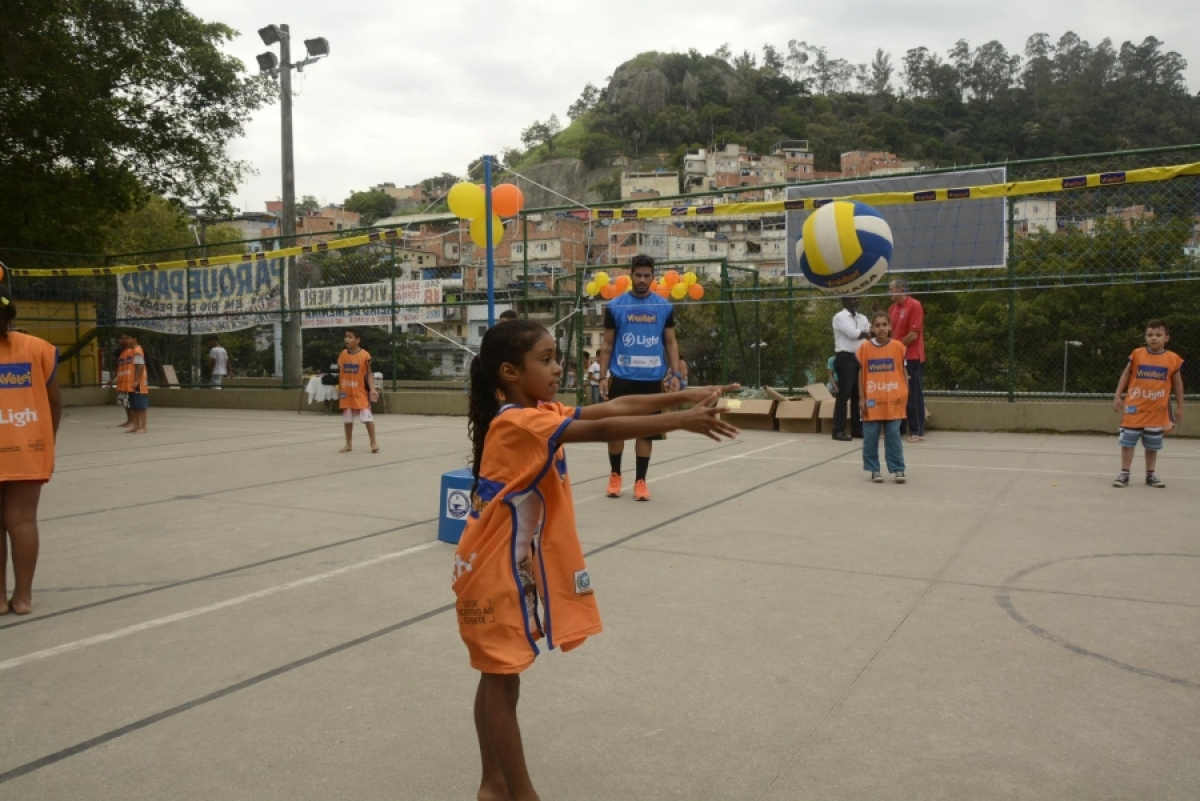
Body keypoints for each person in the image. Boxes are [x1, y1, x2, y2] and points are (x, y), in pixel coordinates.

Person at [455, 319, 738, 801]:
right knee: (501, 683)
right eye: (543, 359)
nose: (556, 366)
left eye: (555, 356)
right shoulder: (520, 422)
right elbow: (605, 426)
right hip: (492, 572)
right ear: (508, 372)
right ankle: (521, 794)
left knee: (498, 678)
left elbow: (615, 405)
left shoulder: (536, 410)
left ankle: (492, 784)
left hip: (491, 566)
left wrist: (684, 396)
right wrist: (680, 420)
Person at [597, 254, 683, 501]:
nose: (642, 280)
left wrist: (676, 373)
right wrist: (602, 376)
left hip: (652, 380)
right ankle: (615, 475)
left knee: (646, 432)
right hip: (622, 378)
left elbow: (670, 341)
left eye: (647, 275)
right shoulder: (615, 306)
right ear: (630, 275)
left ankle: (641, 481)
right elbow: (607, 344)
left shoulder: (664, 307)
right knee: (616, 430)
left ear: (653, 277)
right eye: (638, 275)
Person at [0, 285, 63, 615]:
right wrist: (46, 443)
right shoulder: (39, 348)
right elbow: (54, 402)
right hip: (27, 448)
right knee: (22, 521)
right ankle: (23, 598)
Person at [1111, 319, 1185, 488]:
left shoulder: (1173, 359)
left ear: (1166, 338)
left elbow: (1178, 384)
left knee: (1152, 444)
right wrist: (1117, 396)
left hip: (1157, 411)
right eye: (1150, 335)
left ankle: (1150, 474)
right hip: (1134, 409)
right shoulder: (1137, 354)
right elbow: (1125, 375)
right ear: (1145, 337)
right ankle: (1124, 473)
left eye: (1158, 335)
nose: (1154, 338)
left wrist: (1180, 406)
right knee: (1128, 441)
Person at [858, 312, 909, 484]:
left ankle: (898, 469)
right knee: (871, 436)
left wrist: (905, 393)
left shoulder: (898, 347)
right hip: (872, 401)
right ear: (872, 328)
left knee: (893, 436)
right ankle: (874, 470)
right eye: (877, 325)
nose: (881, 328)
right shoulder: (865, 348)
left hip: (894, 400)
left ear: (890, 327)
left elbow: (904, 372)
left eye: (884, 325)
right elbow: (861, 374)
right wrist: (861, 397)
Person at [888, 278, 926, 442]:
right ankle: (901, 428)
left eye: (891, 289)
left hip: (911, 356)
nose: (889, 292)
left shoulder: (914, 305)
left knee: (913, 393)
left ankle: (917, 430)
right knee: (898, 392)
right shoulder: (892, 308)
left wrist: (896, 346)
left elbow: (913, 334)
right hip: (896, 357)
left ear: (901, 289)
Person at [830, 296, 870, 442]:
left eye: (858, 299)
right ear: (845, 301)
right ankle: (838, 430)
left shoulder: (862, 317)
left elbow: (870, 332)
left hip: (860, 357)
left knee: (857, 395)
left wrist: (863, 333)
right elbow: (853, 334)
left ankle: (857, 429)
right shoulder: (840, 317)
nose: (856, 301)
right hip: (845, 357)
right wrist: (863, 333)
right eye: (853, 299)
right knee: (844, 394)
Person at [338, 328, 379, 453]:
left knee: (367, 419)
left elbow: (369, 374)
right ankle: (348, 444)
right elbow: (341, 373)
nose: (347, 339)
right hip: (346, 393)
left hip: (360, 392)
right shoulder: (343, 354)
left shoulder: (365, 355)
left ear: (357, 340)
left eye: (350, 337)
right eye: (346, 337)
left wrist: (372, 389)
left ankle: (373, 442)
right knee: (348, 420)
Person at [125, 331, 149, 434]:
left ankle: (143, 427)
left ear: (135, 339)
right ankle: (136, 426)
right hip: (131, 383)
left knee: (141, 406)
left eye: (128, 338)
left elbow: (140, 366)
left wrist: (137, 380)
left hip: (138, 383)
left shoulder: (137, 350)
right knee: (134, 405)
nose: (127, 341)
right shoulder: (131, 351)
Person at [115, 333, 134, 428]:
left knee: (129, 402)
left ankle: (132, 420)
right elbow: (119, 367)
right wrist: (113, 378)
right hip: (122, 381)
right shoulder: (122, 353)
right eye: (120, 339)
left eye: (123, 339)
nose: (120, 341)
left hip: (129, 381)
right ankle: (129, 420)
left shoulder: (132, 352)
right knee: (125, 403)